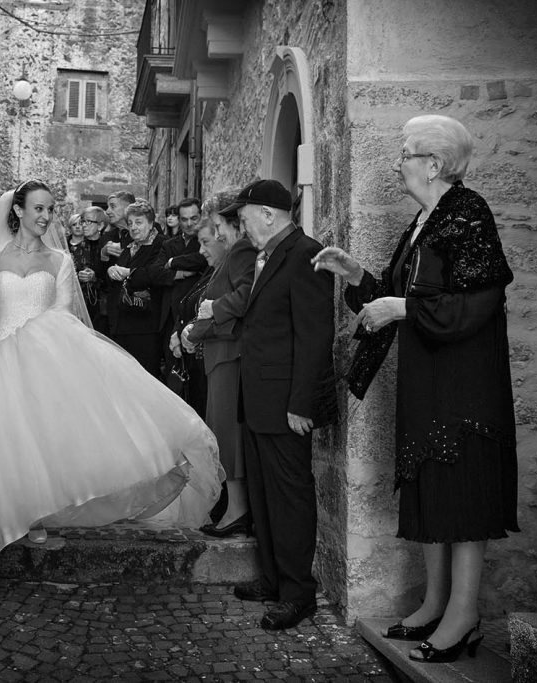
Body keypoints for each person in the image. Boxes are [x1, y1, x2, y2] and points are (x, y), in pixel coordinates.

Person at [0, 180, 224, 596]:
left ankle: (33, 515)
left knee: (39, 446)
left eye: (50, 210)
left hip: (44, 356)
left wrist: (36, 341)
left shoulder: (60, 260)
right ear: (19, 211)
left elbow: (63, 312)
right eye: (39, 209)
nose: (45, 217)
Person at [312, 114, 517, 663]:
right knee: (430, 485)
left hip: (464, 380)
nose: (398, 162)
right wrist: (355, 274)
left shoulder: (467, 210)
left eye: (405, 152)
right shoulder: (423, 220)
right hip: (426, 376)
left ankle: (465, 614)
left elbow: (480, 301)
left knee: (463, 489)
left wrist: (403, 306)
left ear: (434, 163)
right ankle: (434, 602)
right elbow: (394, 298)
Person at [221, 179, 335, 631]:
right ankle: (271, 578)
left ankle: (297, 593)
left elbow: (315, 335)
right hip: (260, 398)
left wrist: (301, 403)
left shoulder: (306, 253)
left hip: (287, 403)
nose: (241, 223)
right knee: (265, 496)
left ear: (268, 213)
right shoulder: (267, 255)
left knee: (289, 498)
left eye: (244, 215)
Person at [182, 191, 256, 538]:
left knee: (228, 433)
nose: (217, 234)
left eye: (217, 226)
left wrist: (197, 329)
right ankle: (235, 507)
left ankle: (238, 510)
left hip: (229, 355)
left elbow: (241, 298)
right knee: (223, 432)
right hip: (221, 355)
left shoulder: (241, 251)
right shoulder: (236, 254)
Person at [106, 201, 171, 378]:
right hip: (122, 322)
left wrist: (129, 272)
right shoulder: (130, 245)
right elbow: (118, 277)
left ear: (151, 223)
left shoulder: (162, 244)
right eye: (130, 223)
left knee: (145, 377)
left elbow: (157, 275)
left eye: (139, 222)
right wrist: (111, 270)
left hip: (146, 325)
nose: (133, 227)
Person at [156, 197, 206, 404]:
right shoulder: (169, 244)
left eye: (194, 218)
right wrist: (180, 274)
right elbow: (155, 273)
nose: (189, 223)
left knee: (196, 376)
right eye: (184, 219)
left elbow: (202, 260)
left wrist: (172, 262)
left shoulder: (205, 241)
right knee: (172, 372)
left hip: (196, 313)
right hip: (171, 314)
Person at [71, 207, 104, 327]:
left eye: (88, 222)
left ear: (100, 226)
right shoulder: (75, 248)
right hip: (82, 306)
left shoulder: (108, 245)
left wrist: (95, 277)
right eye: (83, 221)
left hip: (104, 307)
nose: (84, 225)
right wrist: (78, 276)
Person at [98, 191, 134, 265]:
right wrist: (104, 254)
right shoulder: (105, 238)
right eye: (108, 207)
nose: (107, 211)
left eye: (113, 206)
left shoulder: (148, 231)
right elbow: (99, 273)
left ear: (128, 207)